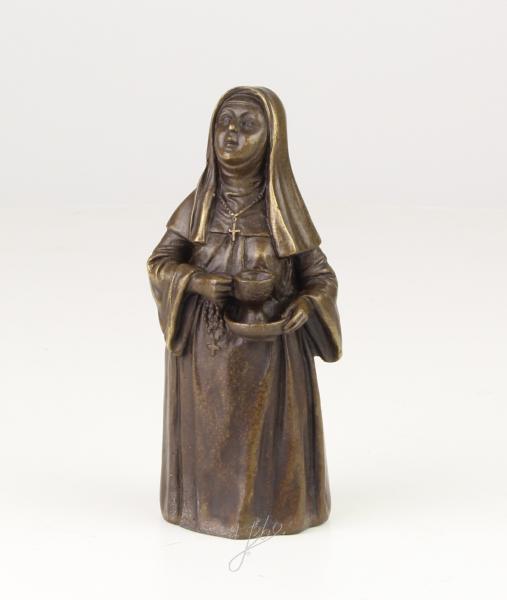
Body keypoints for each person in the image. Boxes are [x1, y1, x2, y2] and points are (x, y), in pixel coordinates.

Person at [147, 86, 342, 539]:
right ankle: (205, 508)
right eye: (225, 123)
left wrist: (305, 304)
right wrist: (195, 280)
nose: (232, 133)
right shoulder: (198, 206)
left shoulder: (283, 212)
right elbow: (159, 263)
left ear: (272, 139)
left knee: (266, 440)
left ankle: (278, 510)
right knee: (213, 434)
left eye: (248, 125)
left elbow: (321, 277)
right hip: (206, 355)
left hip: (272, 355)